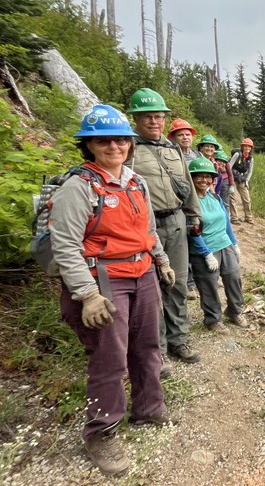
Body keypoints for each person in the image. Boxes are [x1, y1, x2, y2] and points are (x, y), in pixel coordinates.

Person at [49, 105, 177, 476]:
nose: (114, 146)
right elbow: (66, 246)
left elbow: (148, 230)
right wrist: (87, 294)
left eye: (121, 139)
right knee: (110, 357)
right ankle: (101, 432)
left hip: (143, 272)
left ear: (130, 143)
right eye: (104, 140)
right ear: (88, 145)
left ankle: (148, 408)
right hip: (105, 280)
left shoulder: (136, 183)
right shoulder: (79, 187)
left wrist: (162, 260)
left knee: (147, 346)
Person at [126, 88, 202, 364]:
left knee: (178, 283)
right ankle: (155, 351)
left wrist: (194, 216)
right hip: (145, 227)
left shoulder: (172, 149)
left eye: (158, 117)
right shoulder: (128, 149)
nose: (154, 122)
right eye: (148, 117)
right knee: (151, 290)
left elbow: (188, 183)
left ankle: (178, 340)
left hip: (177, 221)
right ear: (136, 118)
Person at [187, 157, 250, 332]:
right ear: (191, 178)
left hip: (225, 244)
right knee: (209, 286)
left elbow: (226, 221)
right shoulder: (189, 202)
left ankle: (235, 310)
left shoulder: (214, 196)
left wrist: (234, 243)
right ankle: (213, 319)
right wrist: (206, 253)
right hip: (204, 250)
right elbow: (192, 230)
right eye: (199, 176)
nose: (204, 180)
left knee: (233, 279)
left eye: (208, 176)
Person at [168, 118, 200, 299]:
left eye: (188, 134)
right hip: (180, 206)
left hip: (196, 203)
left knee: (197, 239)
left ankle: (196, 278)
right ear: (173, 137)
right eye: (180, 134)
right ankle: (187, 283)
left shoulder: (196, 156)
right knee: (183, 243)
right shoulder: (171, 154)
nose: (185, 137)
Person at [229, 137, 254, 224]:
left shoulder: (251, 159)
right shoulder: (237, 155)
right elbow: (229, 166)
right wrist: (231, 182)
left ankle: (248, 218)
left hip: (242, 179)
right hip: (233, 178)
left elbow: (250, 171)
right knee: (233, 198)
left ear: (251, 148)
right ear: (242, 147)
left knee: (247, 199)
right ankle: (234, 218)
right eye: (245, 146)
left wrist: (247, 180)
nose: (247, 148)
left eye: (249, 147)